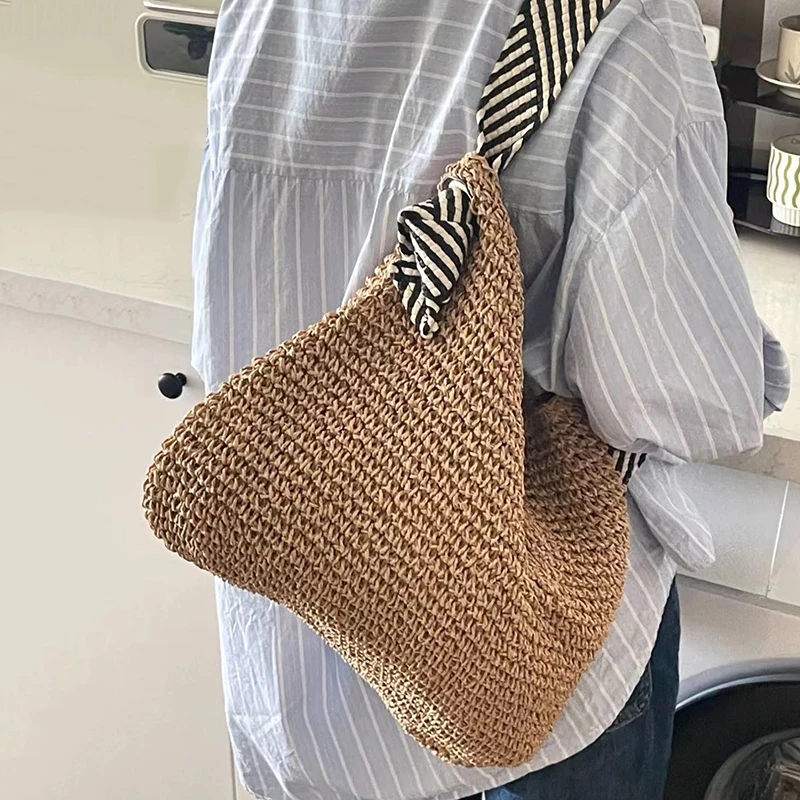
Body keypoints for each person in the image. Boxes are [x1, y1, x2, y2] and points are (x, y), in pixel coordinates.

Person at [191, 0, 790, 798]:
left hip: (295, 672)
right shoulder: (625, 19)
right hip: (533, 685)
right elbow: (686, 400)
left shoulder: (263, 9)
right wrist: (757, 369)